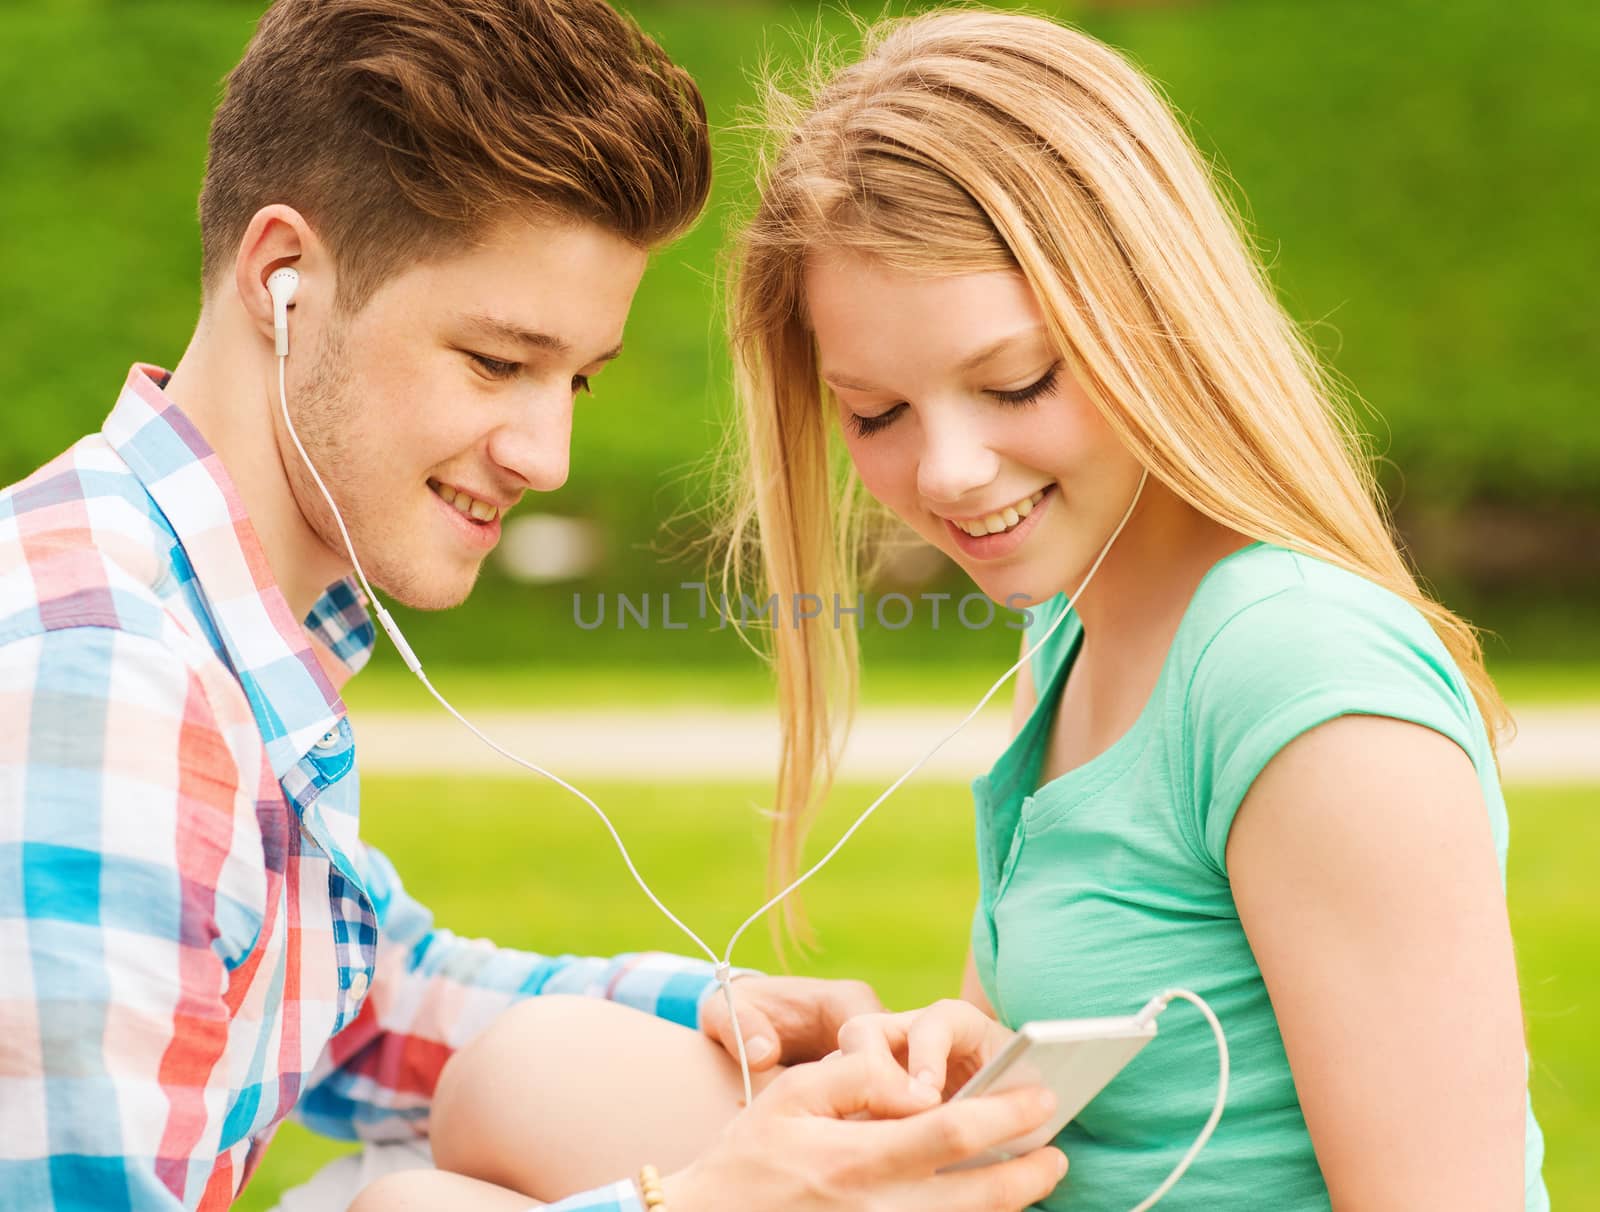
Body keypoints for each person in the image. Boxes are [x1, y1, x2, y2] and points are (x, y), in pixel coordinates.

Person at [0, 2, 1070, 1210]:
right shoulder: (98, 681)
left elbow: (354, 999)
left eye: (578, 380)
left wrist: (728, 1013)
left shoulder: (208, 623)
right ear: (281, 278)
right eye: (498, 363)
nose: (546, 454)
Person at [712, 8, 1548, 1210]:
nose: (945, 471)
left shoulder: (1297, 674)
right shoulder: (1070, 619)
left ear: (1151, 315)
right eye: (875, 413)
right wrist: (954, 1062)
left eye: (1014, 382)